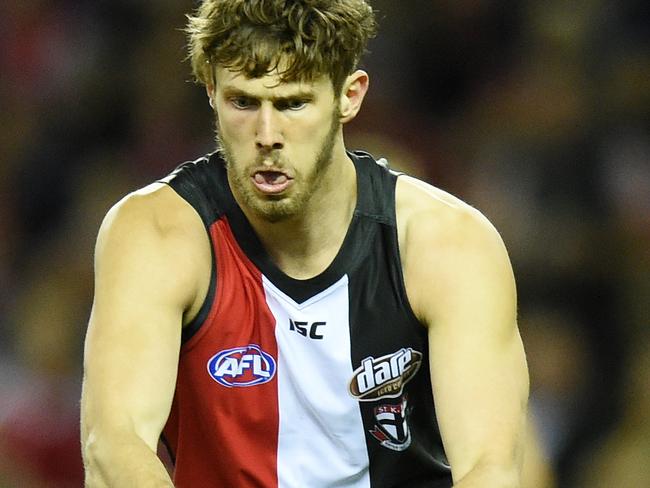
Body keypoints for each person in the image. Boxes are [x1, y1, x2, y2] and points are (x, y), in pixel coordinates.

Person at [80, 1, 529, 486]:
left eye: (292, 103)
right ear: (211, 90)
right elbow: (113, 445)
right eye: (244, 102)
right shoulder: (158, 235)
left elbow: (491, 467)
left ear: (349, 96)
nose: (267, 135)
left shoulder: (447, 247)